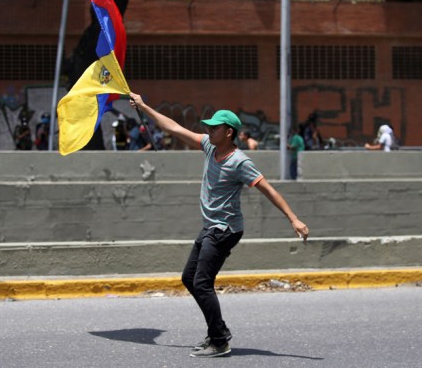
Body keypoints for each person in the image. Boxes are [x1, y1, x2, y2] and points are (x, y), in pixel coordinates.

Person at [129, 92, 309, 358]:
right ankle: (218, 333)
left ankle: (219, 341)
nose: (209, 130)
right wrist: (144, 106)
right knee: (189, 279)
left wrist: (293, 218)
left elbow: (268, 190)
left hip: (225, 230)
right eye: (209, 126)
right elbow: (175, 128)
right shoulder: (210, 147)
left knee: (202, 282)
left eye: (214, 127)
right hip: (211, 226)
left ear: (229, 132)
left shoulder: (240, 162)